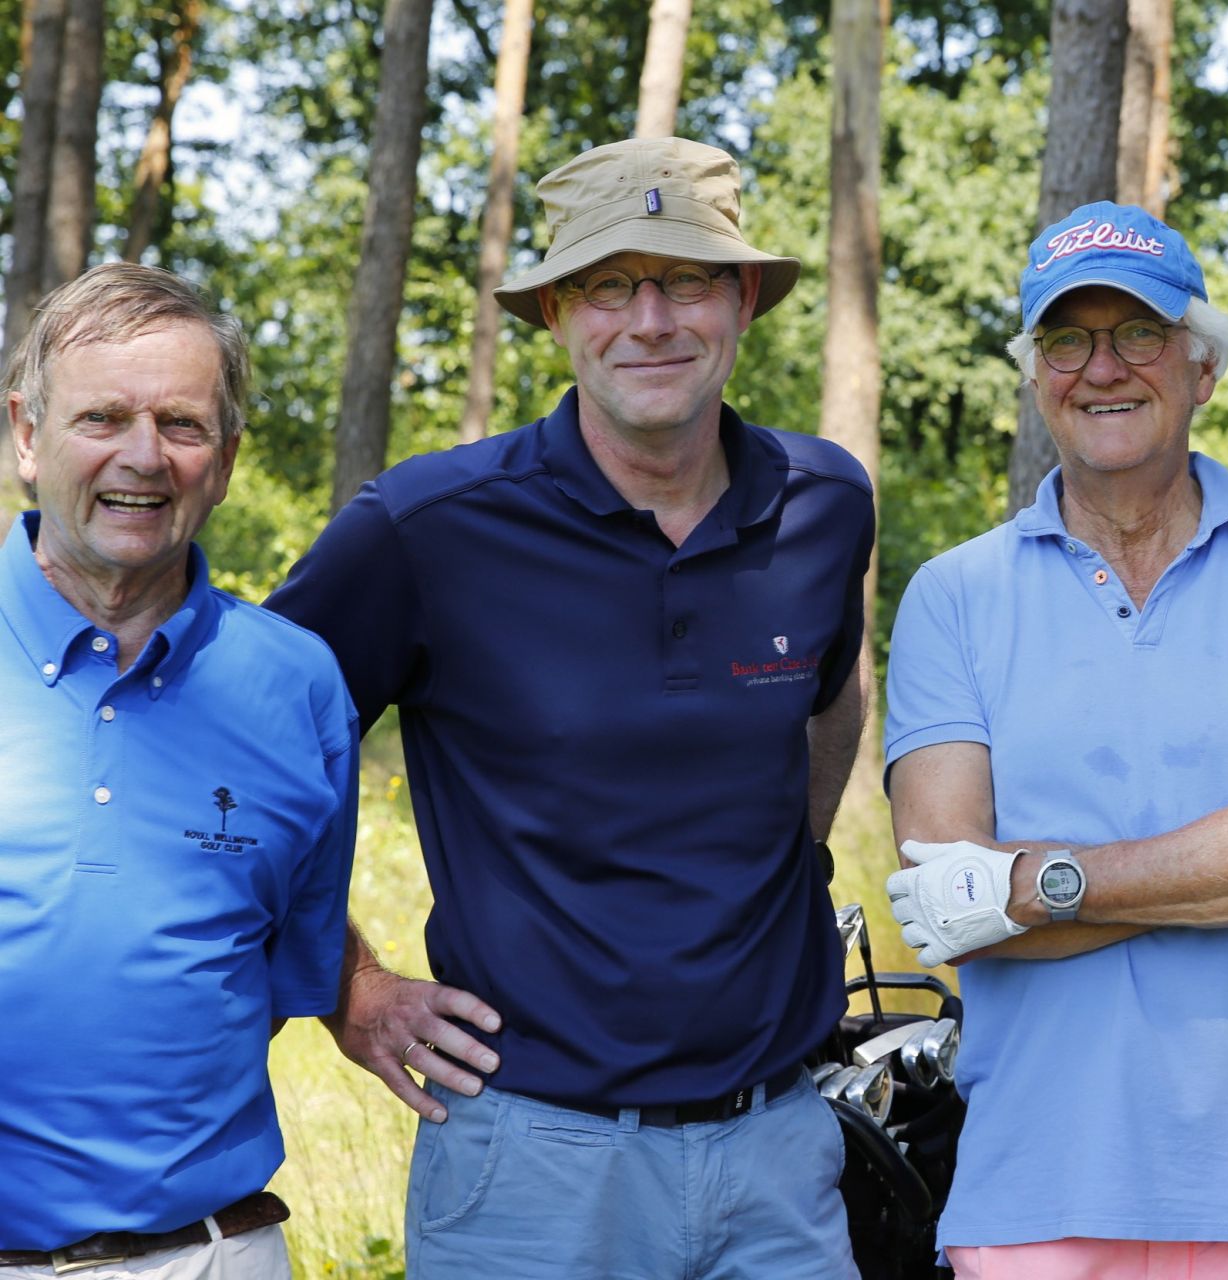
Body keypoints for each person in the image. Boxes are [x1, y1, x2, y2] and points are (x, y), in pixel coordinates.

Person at [266, 137, 871, 1278]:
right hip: (531, 1165)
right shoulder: (427, 529)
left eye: (686, 279)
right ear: (554, 312)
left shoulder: (824, 502)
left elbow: (834, 693)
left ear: (743, 299)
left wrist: (794, 860)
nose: (651, 320)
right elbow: (239, 748)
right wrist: (345, 982)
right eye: (608, 285)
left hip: (781, 1153)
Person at [882, 201, 1228, 1280]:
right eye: (1066, 339)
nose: (1102, 367)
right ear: (1037, 375)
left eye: (1139, 332)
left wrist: (1043, 881)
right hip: (1034, 1195)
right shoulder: (953, 594)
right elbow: (948, 904)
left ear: (1202, 366)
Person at [0, 263, 357, 1278]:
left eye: (183, 424)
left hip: (211, 1255)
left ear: (227, 459)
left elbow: (284, 969)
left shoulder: (297, 684)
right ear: (27, 433)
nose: (144, 456)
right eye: (103, 416)